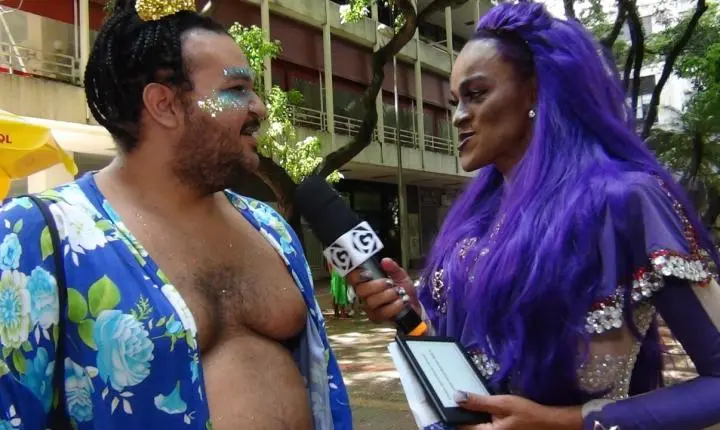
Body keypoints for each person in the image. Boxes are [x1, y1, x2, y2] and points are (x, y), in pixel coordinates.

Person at [349, 2, 720, 429]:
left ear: (536, 92)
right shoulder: (473, 220)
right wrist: (411, 314)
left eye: (476, 94)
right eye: (455, 102)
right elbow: (474, 365)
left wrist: (558, 421)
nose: (458, 117)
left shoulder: (626, 201)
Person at [0, 0, 351, 429]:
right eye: (236, 89)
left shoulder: (270, 226)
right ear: (163, 104)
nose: (259, 107)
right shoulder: (38, 233)